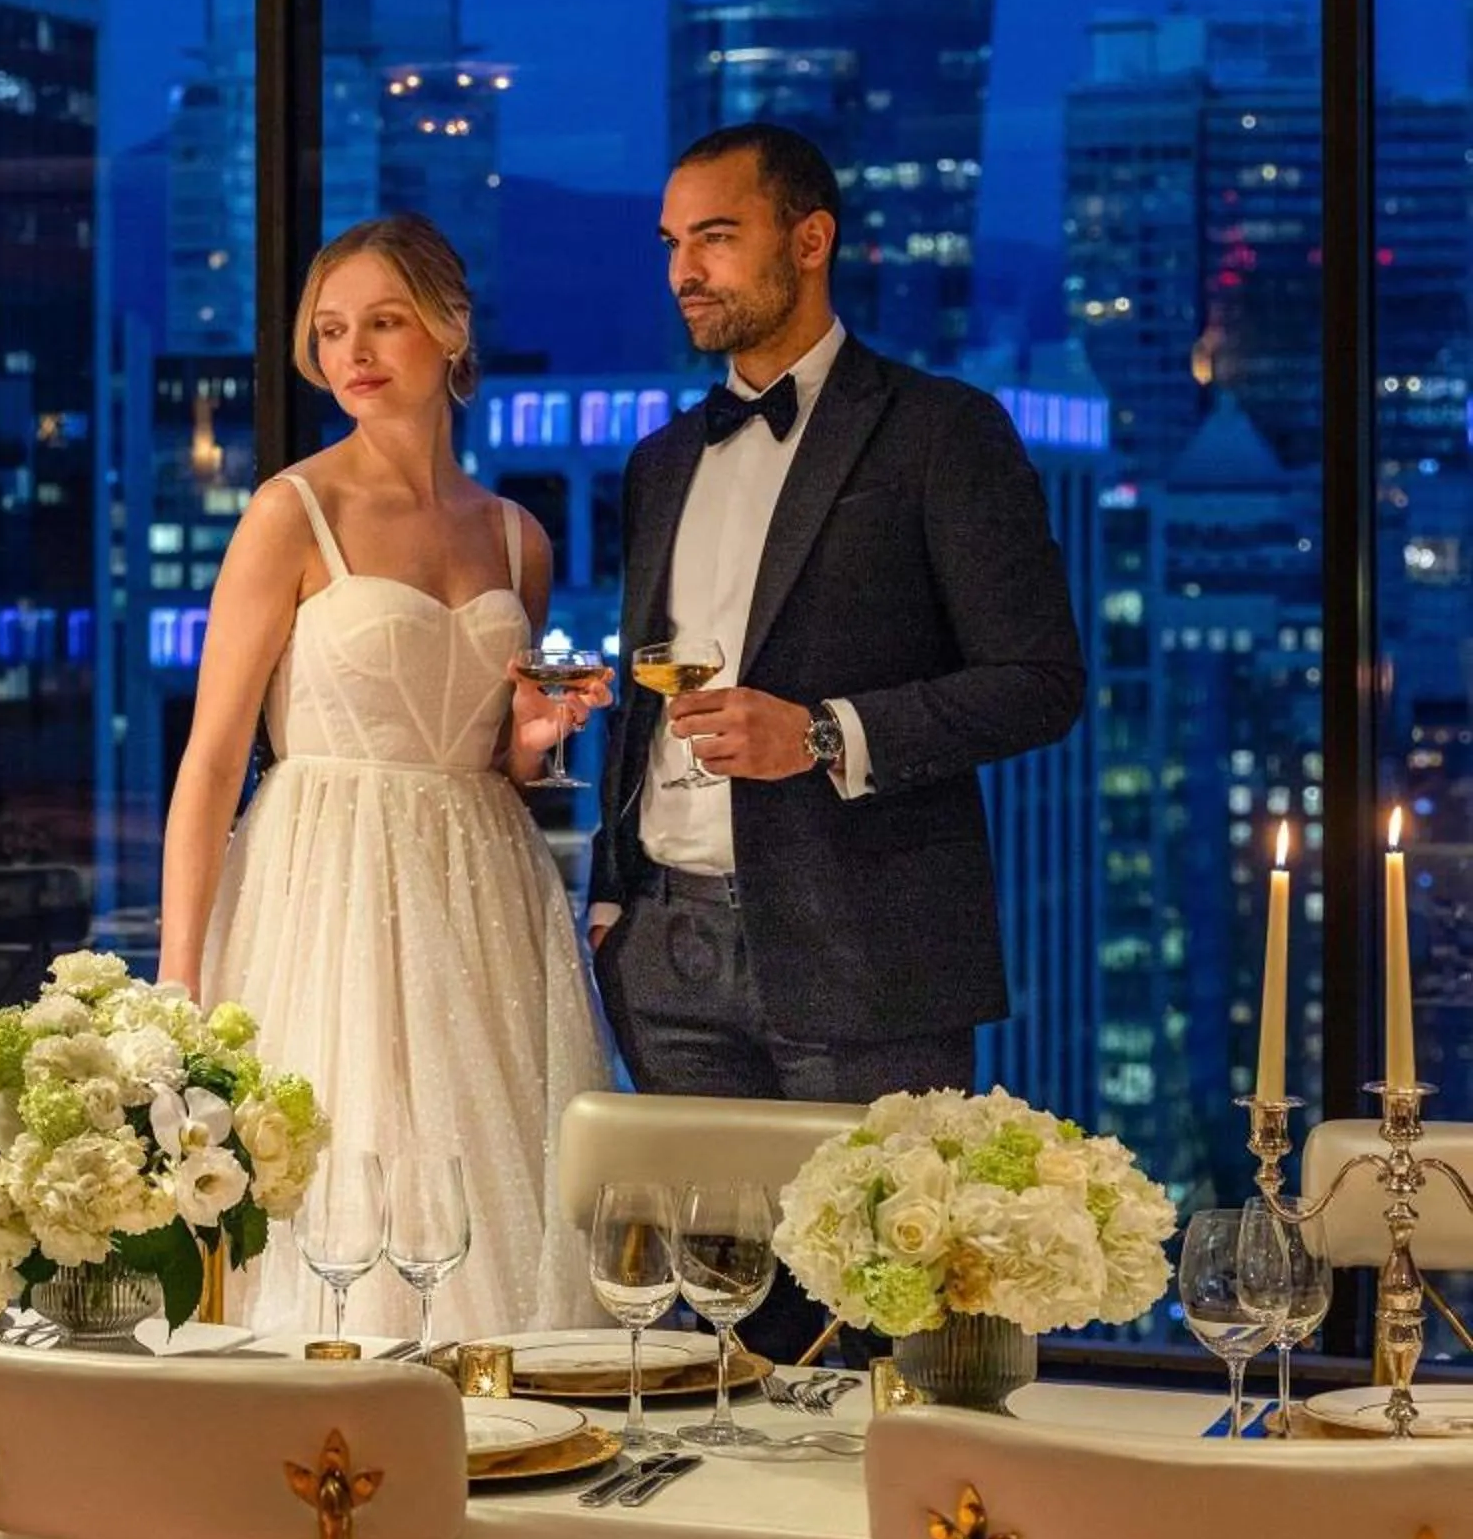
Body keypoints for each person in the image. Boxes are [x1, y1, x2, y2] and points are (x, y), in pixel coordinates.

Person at [165, 214, 607, 1340]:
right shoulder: (290, 512)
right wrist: (177, 989)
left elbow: (497, 757)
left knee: (488, 1180)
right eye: (331, 330)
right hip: (326, 884)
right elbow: (214, 758)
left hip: (482, 890)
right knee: (341, 1181)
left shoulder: (519, 539)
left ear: (452, 331)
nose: (353, 351)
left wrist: (536, 734)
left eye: (385, 321)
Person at [591, 120, 1084, 1125]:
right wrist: (612, 902)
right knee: (718, 1285)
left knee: (875, 1279)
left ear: (810, 242)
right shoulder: (661, 462)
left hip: (866, 955)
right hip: (663, 958)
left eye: (717, 237)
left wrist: (820, 734)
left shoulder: (943, 431)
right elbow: (647, 697)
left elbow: (1040, 681)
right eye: (672, 244)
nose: (685, 270)